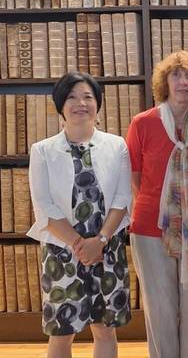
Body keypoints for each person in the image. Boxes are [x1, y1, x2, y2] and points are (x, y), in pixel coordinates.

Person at [27, 71, 132, 358]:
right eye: (72, 97)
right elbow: (44, 207)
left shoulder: (117, 146)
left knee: (105, 330)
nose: (80, 103)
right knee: (62, 332)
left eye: (88, 96)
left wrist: (100, 241)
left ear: (98, 103)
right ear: (60, 106)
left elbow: (122, 199)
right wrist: (79, 245)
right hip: (63, 253)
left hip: (106, 250)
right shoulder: (43, 151)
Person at [126, 50, 188, 358]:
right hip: (150, 229)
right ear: (165, 82)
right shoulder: (142, 123)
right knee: (160, 308)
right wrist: (167, 210)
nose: (183, 82)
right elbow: (135, 177)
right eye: (176, 75)